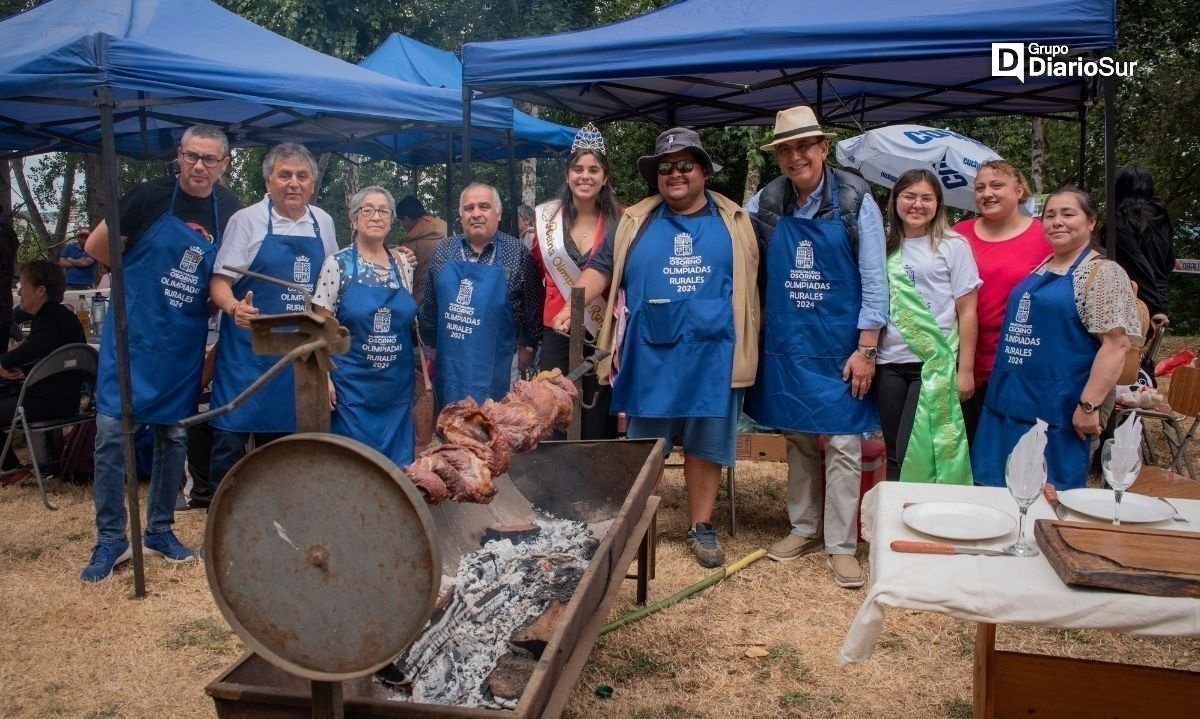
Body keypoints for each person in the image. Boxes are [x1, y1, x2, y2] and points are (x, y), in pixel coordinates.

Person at [551, 127, 760, 569]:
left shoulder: (735, 220)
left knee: (706, 443)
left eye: (686, 165)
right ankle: (636, 523)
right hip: (651, 355)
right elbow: (600, 268)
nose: (676, 174)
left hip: (714, 353)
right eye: (666, 167)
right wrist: (577, 303)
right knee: (646, 446)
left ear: (703, 171)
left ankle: (701, 526)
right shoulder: (635, 221)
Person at [80, 124, 241, 581]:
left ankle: (159, 529)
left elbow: (226, 276)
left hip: (182, 342)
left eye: (210, 159)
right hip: (132, 336)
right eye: (192, 156)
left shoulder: (229, 211)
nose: (199, 166)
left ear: (224, 164)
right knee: (113, 433)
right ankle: (111, 537)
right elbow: (96, 247)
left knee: (173, 436)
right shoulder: (149, 196)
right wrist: (144, 286)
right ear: (179, 156)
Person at [743, 106, 886, 589]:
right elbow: (739, 253)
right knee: (799, 436)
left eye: (805, 145)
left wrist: (866, 348)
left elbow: (874, 277)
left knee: (844, 442)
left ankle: (842, 545)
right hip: (788, 340)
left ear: (824, 148)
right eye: (785, 148)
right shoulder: (765, 201)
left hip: (840, 342)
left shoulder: (853, 199)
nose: (795, 156)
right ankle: (803, 527)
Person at [972, 187, 1141, 490]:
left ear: (1091, 222)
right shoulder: (1042, 267)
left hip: (1056, 413)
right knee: (996, 496)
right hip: (1006, 405)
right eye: (1050, 215)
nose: (1057, 222)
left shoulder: (1101, 274)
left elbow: (1116, 346)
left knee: (1046, 503)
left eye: (1068, 214)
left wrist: (1089, 406)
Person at [208, 142, 338, 488]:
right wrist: (234, 306)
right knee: (230, 441)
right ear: (268, 182)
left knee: (284, 449)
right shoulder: (247, 221)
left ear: (312, 184)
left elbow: (331, 284)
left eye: (302, 176)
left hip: (296, 358)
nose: (293, 183)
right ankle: (219, 525)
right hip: (246, 356)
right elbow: (219, 283)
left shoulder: (322, 222)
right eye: (284, 175)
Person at [876, 169, 980, 484]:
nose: (917, 204)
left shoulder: (954, 245)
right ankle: (893, 522)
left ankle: (927, 515)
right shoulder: (882, 246)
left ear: (938, 204)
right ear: (896, 201)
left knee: (919, 447)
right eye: (909, 196)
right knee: (893, 450)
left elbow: (969, 311)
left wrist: (966, 370)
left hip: (934, 362)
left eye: (926, 198)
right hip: (890, 361)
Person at [313, 186, 418, 467]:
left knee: (399, 474)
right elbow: (320, 327)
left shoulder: (403, 264)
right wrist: (324, 378)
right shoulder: (337, 265)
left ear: (392, 219)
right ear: (353, 219)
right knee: (352, 469)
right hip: (352, 391)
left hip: (396, 391)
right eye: (367, 210)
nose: (376, 216)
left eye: (384, 210)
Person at [531, 123, 620, 439]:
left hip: (602, 330)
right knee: (555, 412)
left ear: (605, 177)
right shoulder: (546, 221)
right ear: (567, 175)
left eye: (593, 169)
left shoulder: (621, 221)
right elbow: (532, 279)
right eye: (578, 169)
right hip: (556, 330)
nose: (585, 176)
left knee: (596, 413)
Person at [419, 183, 543, 409]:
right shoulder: (443, 251)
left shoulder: (518, 253)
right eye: (469, 208)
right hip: (449, 366)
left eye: (484, 207)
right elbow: (430, 306)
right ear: (461, 215)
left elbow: (532, 306)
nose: (476, 214)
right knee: (452, 430)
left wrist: (529, 346)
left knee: (494, 431)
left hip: (498, 368)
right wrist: (431, 345)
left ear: (498, 213)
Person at [952, 160, 1051, 444]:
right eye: (980, 187)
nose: (987, 193)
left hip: (1020, 363)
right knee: (968, 448)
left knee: (1013, 450)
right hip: (964, 360)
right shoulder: (959, 234)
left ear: (1019, 191)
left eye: (997, 185)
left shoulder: (1044, 236)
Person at [0, 261, 85, 485]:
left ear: (40, 291)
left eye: (23, 286)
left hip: (45, 401)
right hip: (64, 398)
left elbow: (37, 346)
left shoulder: (48, 318)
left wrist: (4, 361)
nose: (19, 292)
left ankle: (11, 470)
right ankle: (18, 468)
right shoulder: (61, 316)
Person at [1113, 164, 1174, 331]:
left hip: (1135, 301)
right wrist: (1160, 306)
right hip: (1159, 296)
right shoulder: (1161, 218)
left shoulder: (1119, 222)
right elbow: (1169, 262)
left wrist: (1155, 308)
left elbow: (1139, 264)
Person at [397, 195, 447, 306]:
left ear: (406, 219)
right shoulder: (445, 227)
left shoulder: (410, 244)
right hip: (448, 297)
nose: (403, 227)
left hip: (423, 303)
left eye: (402, 222)